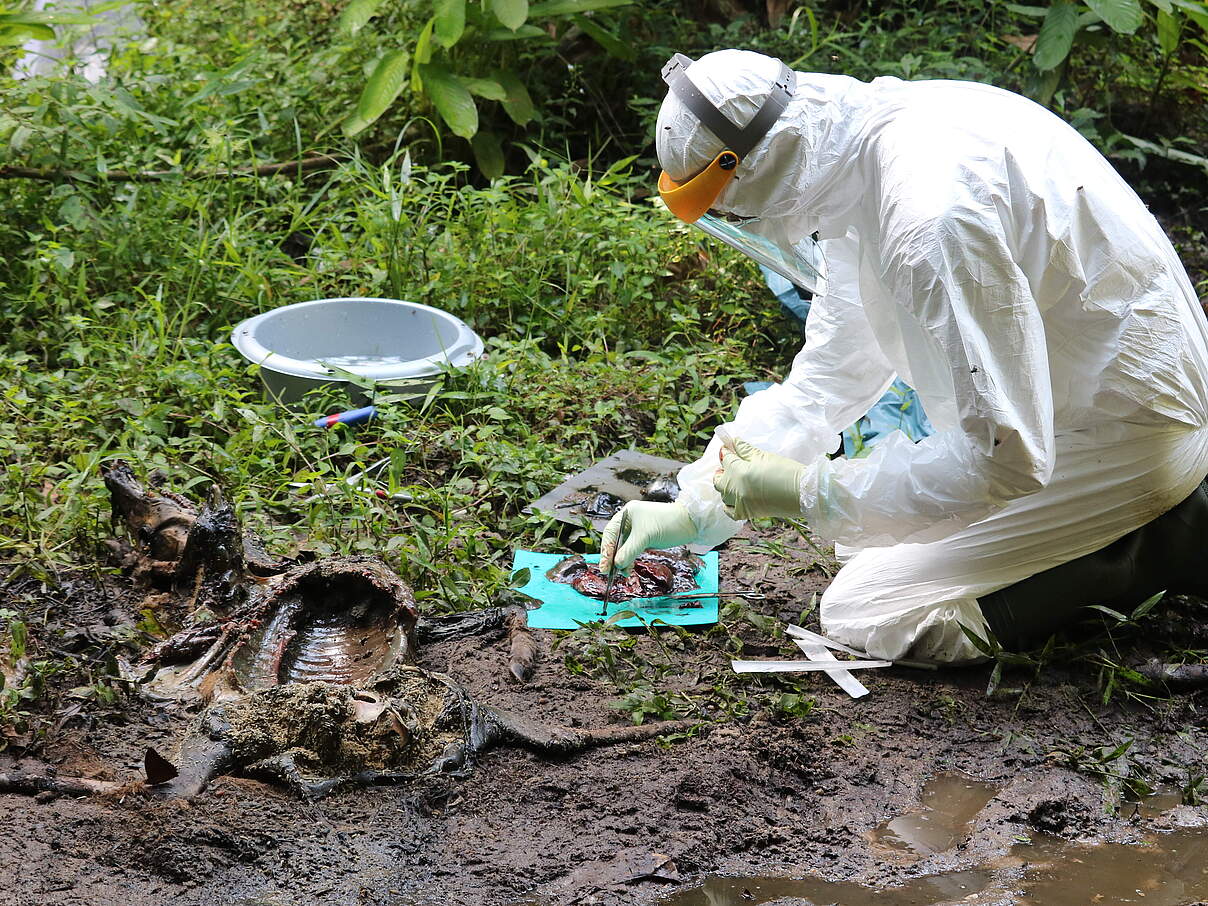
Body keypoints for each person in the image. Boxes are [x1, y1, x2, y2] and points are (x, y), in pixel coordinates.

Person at [599, 49, 1208, 664]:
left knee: (869, 609)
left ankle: (1151, 546)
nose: (741, 225)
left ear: (756, 168)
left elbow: (1005, 458)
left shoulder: (928, 220)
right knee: (862, 541)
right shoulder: (855, 166)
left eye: (730, 209)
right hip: (1067, 412)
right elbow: (828, 379)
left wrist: (807, 490)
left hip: (1126, 432)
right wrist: (692, 507)